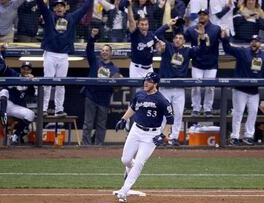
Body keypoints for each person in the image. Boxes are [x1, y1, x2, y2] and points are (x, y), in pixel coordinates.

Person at [114, 72, 174, 202]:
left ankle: (124, 191)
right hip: (136, 130)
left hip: (151, 135)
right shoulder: (140, 94)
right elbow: (133, 107)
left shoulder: (162, 100)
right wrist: (124, 119)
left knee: (140, 163)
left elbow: (170, 121)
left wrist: (163, 135)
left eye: (150, 81)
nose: (146, 83)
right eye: (145, 80)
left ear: (156, 84)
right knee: (125, 160)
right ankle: (132, 167)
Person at [221, 33, 264, 145]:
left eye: (256, 41)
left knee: (253, 113)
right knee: (238, 113)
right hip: (240, 89)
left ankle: (248, 136)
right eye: (252, 41)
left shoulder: (263, 56)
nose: (254, 43)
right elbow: (228, 48)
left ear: (260, 43)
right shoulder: (242, 51)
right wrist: (225, 38)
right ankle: (235, 137)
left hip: (254, 91)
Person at [155, 18, 207, 146]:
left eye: (180, 38)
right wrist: (168, 24)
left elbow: (201, 50)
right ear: (173, 40)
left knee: (178, 115)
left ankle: (173, 138)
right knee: (163, 115)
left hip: (179, 88)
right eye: (176, 38)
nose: (178, 40)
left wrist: (202, 36)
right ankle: (161, 137)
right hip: (165, 87)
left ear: (184, 41)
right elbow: (157, 34)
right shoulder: (167, 47)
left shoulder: (187, 51)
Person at [36, 0, 93, 116]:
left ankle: (59, 110)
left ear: (66, 7)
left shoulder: (72, 17)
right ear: (53, 8)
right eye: (56, 6)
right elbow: (41, 5)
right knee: (47, 81)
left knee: (61, 83)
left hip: (63, 56)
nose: (59, 8)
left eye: (61, 6)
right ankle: (43, 109)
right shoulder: (49, 16)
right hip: (50, 54)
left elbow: (85, 7)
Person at [81, 28, 121, 145]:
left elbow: (116, 88)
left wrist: (118, 82)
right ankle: (86, 145)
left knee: (101, 125)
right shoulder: (95, 62)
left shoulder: (115, 69)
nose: (104, 52)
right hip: (91, 96)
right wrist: (92, 38)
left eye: (107, 50)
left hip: (104, 99)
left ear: (111, 53)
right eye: (103, 50)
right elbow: (89, 49)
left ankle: (99, 146)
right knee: (88, 123)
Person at [184, 9, 222, 116]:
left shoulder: (216, 29)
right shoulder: (192, 29)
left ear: (208, 16)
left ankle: (207, 108)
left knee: (210, 87)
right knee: (196, 87)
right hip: (197, 63)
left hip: (211, 63)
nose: (202, 16)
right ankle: (195, 108)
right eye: (200, 15)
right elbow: (182, 38)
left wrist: (225, 35)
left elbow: (224, 39)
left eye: (204, 15)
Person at [0, 61, 36, 145]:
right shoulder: (13, 73)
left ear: (31, 71)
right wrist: (2, 54)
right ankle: (3, 115)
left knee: (31, 114)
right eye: (24, 69)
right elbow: (3, 65)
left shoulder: (30, 82)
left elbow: (33, 93)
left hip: (12, 107)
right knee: (4, 91)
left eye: (28, 69)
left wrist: (32, 82)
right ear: (20, 69)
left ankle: (15, 136)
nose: (26, 71)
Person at [123, 0, 159, 78]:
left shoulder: (151, 35)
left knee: (150, 90)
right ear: (138, 25)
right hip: (136, 69)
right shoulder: (135, 33)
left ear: (148, 25)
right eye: (142, 25)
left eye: (146, 25)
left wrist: (161, 46)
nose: (144, 26)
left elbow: (158, 46)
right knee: (136, 90)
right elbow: (131, 20)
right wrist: (129, 7)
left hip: (149, 68)